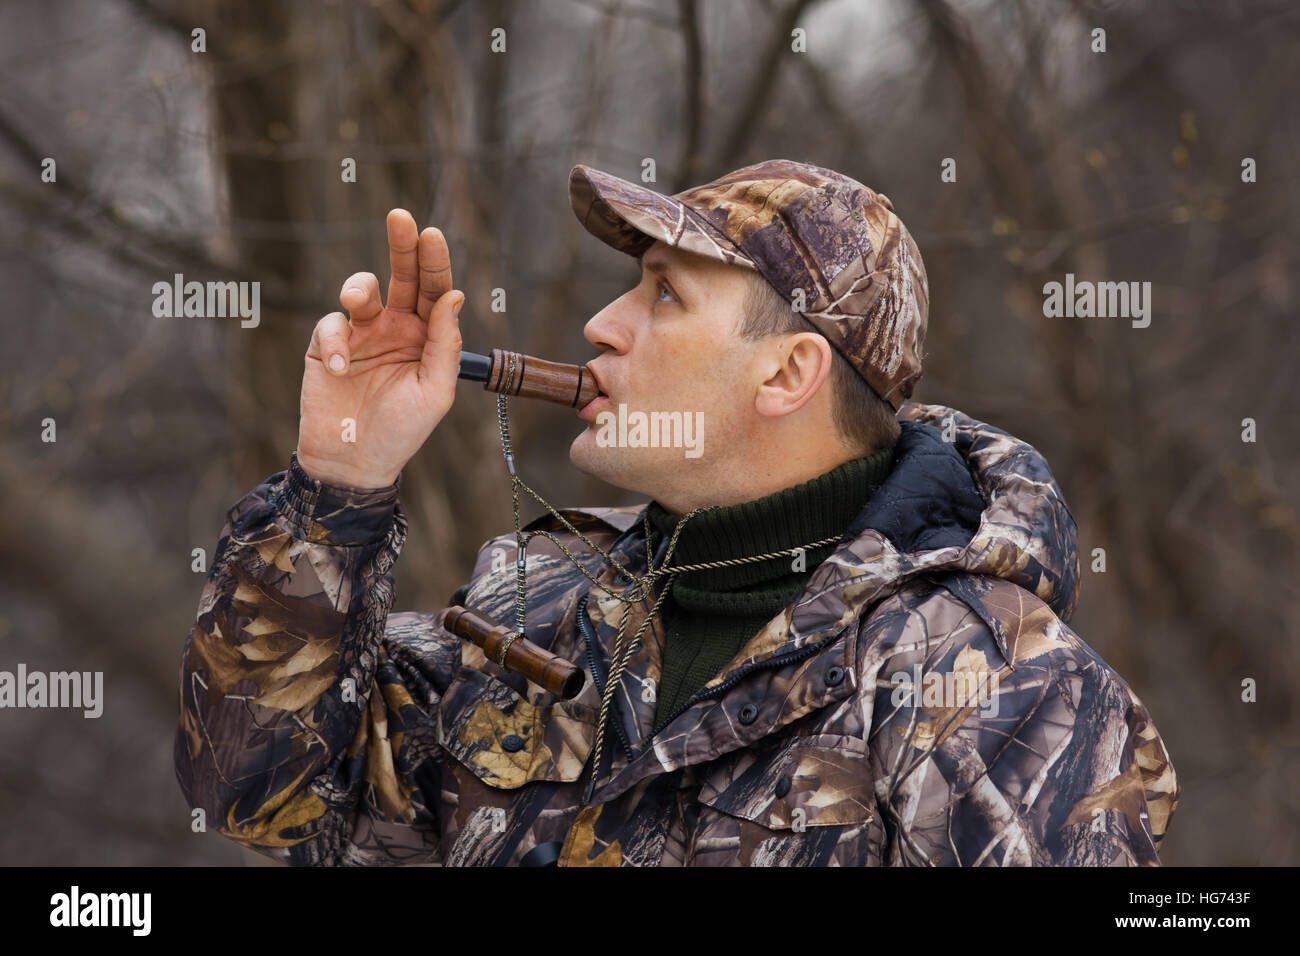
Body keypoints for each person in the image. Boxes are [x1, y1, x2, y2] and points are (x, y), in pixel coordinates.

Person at [174, 160, 1179, 866]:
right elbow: (263, 797)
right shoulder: (537, 610)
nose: (600, 325)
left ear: (787, 371)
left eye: (662, 294)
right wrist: (337, 480)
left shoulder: (995, 685)